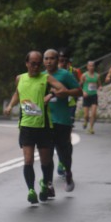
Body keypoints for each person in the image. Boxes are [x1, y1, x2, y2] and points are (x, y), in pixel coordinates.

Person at [4, 51, 66, 204]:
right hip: (26, 126)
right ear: (27, 63)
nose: (36, 66)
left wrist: (51, 95)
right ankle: (31, 190)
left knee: (45, 160)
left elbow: (62, 89)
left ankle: (45, 183)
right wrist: (10, 106)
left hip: (44, 126)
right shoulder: (20, 78)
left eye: (39, 64)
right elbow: (17, 93)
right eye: (33, 63)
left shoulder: (46, 78)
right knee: (28, 159)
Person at [43, 49, 82, 193]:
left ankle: (68, 173)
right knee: (47, 154)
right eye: (46, 58)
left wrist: (66, 92)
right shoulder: (41, 76)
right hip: (46, 121)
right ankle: (48, 184)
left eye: (52, 58)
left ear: (57, 60)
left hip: (62, 120)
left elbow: (79, 91)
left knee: (63, 153)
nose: (49, 61)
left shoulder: (65, 75)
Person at [58, 51, 82, 128]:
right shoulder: (54, 70)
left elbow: (78, 83)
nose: (64, 63)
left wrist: (73, 90)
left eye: (66, 61)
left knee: (71, 110)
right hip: (58, 97)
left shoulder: (74, 71)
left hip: (70, 96)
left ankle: (70, 120)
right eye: (61, 61)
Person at [81, 61, 101, 134]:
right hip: (86, 96)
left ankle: (91, 128)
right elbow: (79, 85)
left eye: (92, 66)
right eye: (90, 66)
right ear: (87, 67)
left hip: (94, 95)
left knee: (93, 113)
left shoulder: (97, 75)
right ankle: (85, 121)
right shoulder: (84, 75)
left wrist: (100, 87)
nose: (91, 67)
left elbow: (99, 84)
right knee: (86, 115)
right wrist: (83, 92)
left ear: (94, 67)